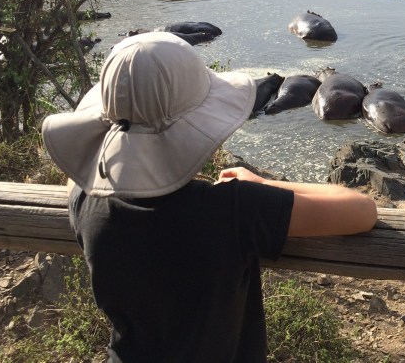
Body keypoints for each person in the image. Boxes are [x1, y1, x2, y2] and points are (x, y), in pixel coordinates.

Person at [41, 32, 378, 363]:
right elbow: (362, 210)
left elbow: (85, 173)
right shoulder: (234, 208)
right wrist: (263, 183)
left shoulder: (84, 200)